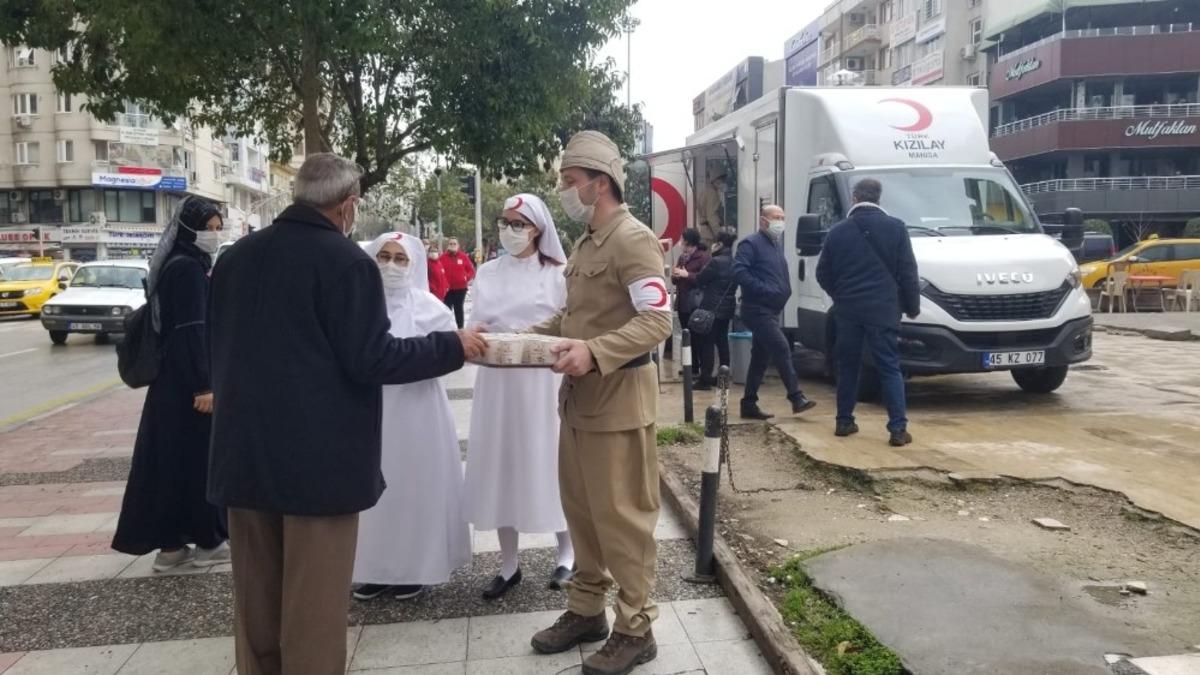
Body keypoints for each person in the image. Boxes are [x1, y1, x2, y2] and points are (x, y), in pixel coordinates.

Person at [207, 153, 487, 675]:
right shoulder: (345, 262)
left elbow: (217, 347)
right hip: (318, 464)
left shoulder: (236, 257)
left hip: (242, 455)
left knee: (257, 607)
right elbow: (372, 358)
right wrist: (452, 346)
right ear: (349, 205)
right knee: (311, 612)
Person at [527, 131, 673, 675]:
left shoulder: (632, 239)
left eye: (570, 181)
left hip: (618, 404)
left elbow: (656, 321)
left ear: (599, 182)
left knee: (622, 522)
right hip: (580, 405)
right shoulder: (590, 242)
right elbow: (573, 320)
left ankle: (637, 629)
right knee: (582, 515)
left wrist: (593, 352)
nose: (565, 191)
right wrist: (522, 340)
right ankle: (586, 611)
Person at [351, 232, 471, 601]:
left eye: (400, 259)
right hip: (370, 414)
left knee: (414, 489)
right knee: (373, 497)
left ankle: (414, 567)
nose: (390, 265)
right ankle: (373, 568)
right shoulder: (357, 307)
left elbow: (451, 355)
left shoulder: (431, 308)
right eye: (383, 256)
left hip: (418, 415)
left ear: (414, 265)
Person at [465, 194, 574, 599]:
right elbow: (473, 320)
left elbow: (568, 323)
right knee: (500, 464)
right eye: (504, 221)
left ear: (537, 229)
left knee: (549, 460)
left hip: (541, 383)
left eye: (518, 223)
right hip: (497, 384)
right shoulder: (488, 272)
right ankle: (508, 563)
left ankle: (567, 553)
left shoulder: (558, 274)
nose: (509, 230)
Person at [111, 197, 229, 570]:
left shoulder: (174, 264)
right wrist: (203, 386)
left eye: (216, 228)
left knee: (170, 463)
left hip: (169, 385)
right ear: (187, 229)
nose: (213, 235)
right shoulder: (188, 271)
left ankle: (171, 547)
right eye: (206, 228)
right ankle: (209, 542)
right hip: (189, 386)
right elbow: (192, 331)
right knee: (199, 462)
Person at [816, 178, 920, 447]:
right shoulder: (896, 228)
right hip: (884, 311)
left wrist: (840, 296)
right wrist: (911, 307)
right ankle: (898, 429)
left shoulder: (837, 232)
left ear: (854, 198)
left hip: (848, 311)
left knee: (848, 366)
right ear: (879, 198)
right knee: (889, 367)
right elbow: (908, 272)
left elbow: (822, 273)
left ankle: (844, 421)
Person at [734, 204, 816, 420]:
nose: (780, 222)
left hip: (771, 309)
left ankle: (748, 403)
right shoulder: (751, 244)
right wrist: (765, 289)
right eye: (776, 217)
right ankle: (796, 397)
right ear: (763, 221)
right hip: (757, 309)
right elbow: (739, 271)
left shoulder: (774, 244)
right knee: (780, 347)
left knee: (760, 357)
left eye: (782, 217)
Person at [690, 230, 738, 390]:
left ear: (720, 244)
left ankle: (704, 379)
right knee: (722, 342)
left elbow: (700, 279)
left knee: (707, 343)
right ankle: (723, 378)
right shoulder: (736, 262)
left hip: (711, 308)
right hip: (727, 307)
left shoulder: (715, 262)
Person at [671, 229, 710, 379]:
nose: (680, 242)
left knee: (696, 336)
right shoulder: (682, 257)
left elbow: (703, 279)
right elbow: (676, 280)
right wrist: (675, 275)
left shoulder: (703, 257)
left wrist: (687, 275)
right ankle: (690, 366)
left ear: (689, 241)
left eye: (682, 239)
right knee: (686, 334)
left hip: (695, 302)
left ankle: (699, 368)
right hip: (682, 301)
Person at [441, 237, 475, 327]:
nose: (452, 245)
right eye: (451, 244)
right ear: (448, 246)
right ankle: (447, 329)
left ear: (458, 245)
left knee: (458, 309)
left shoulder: (463, 257)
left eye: (454, 244)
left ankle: (460, 328)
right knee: (446, 309)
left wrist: (465, 278)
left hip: (461, 289)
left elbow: (471, 271)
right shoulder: (442, 258)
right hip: (447, 289)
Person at [697, 171, 726, 244]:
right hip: (710, 234)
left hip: (705, 233)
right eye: (721, 179)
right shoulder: (712, 194)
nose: (723, 182)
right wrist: (720, 235)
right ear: (715, 180)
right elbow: (712, 216)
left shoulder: (705, 191)